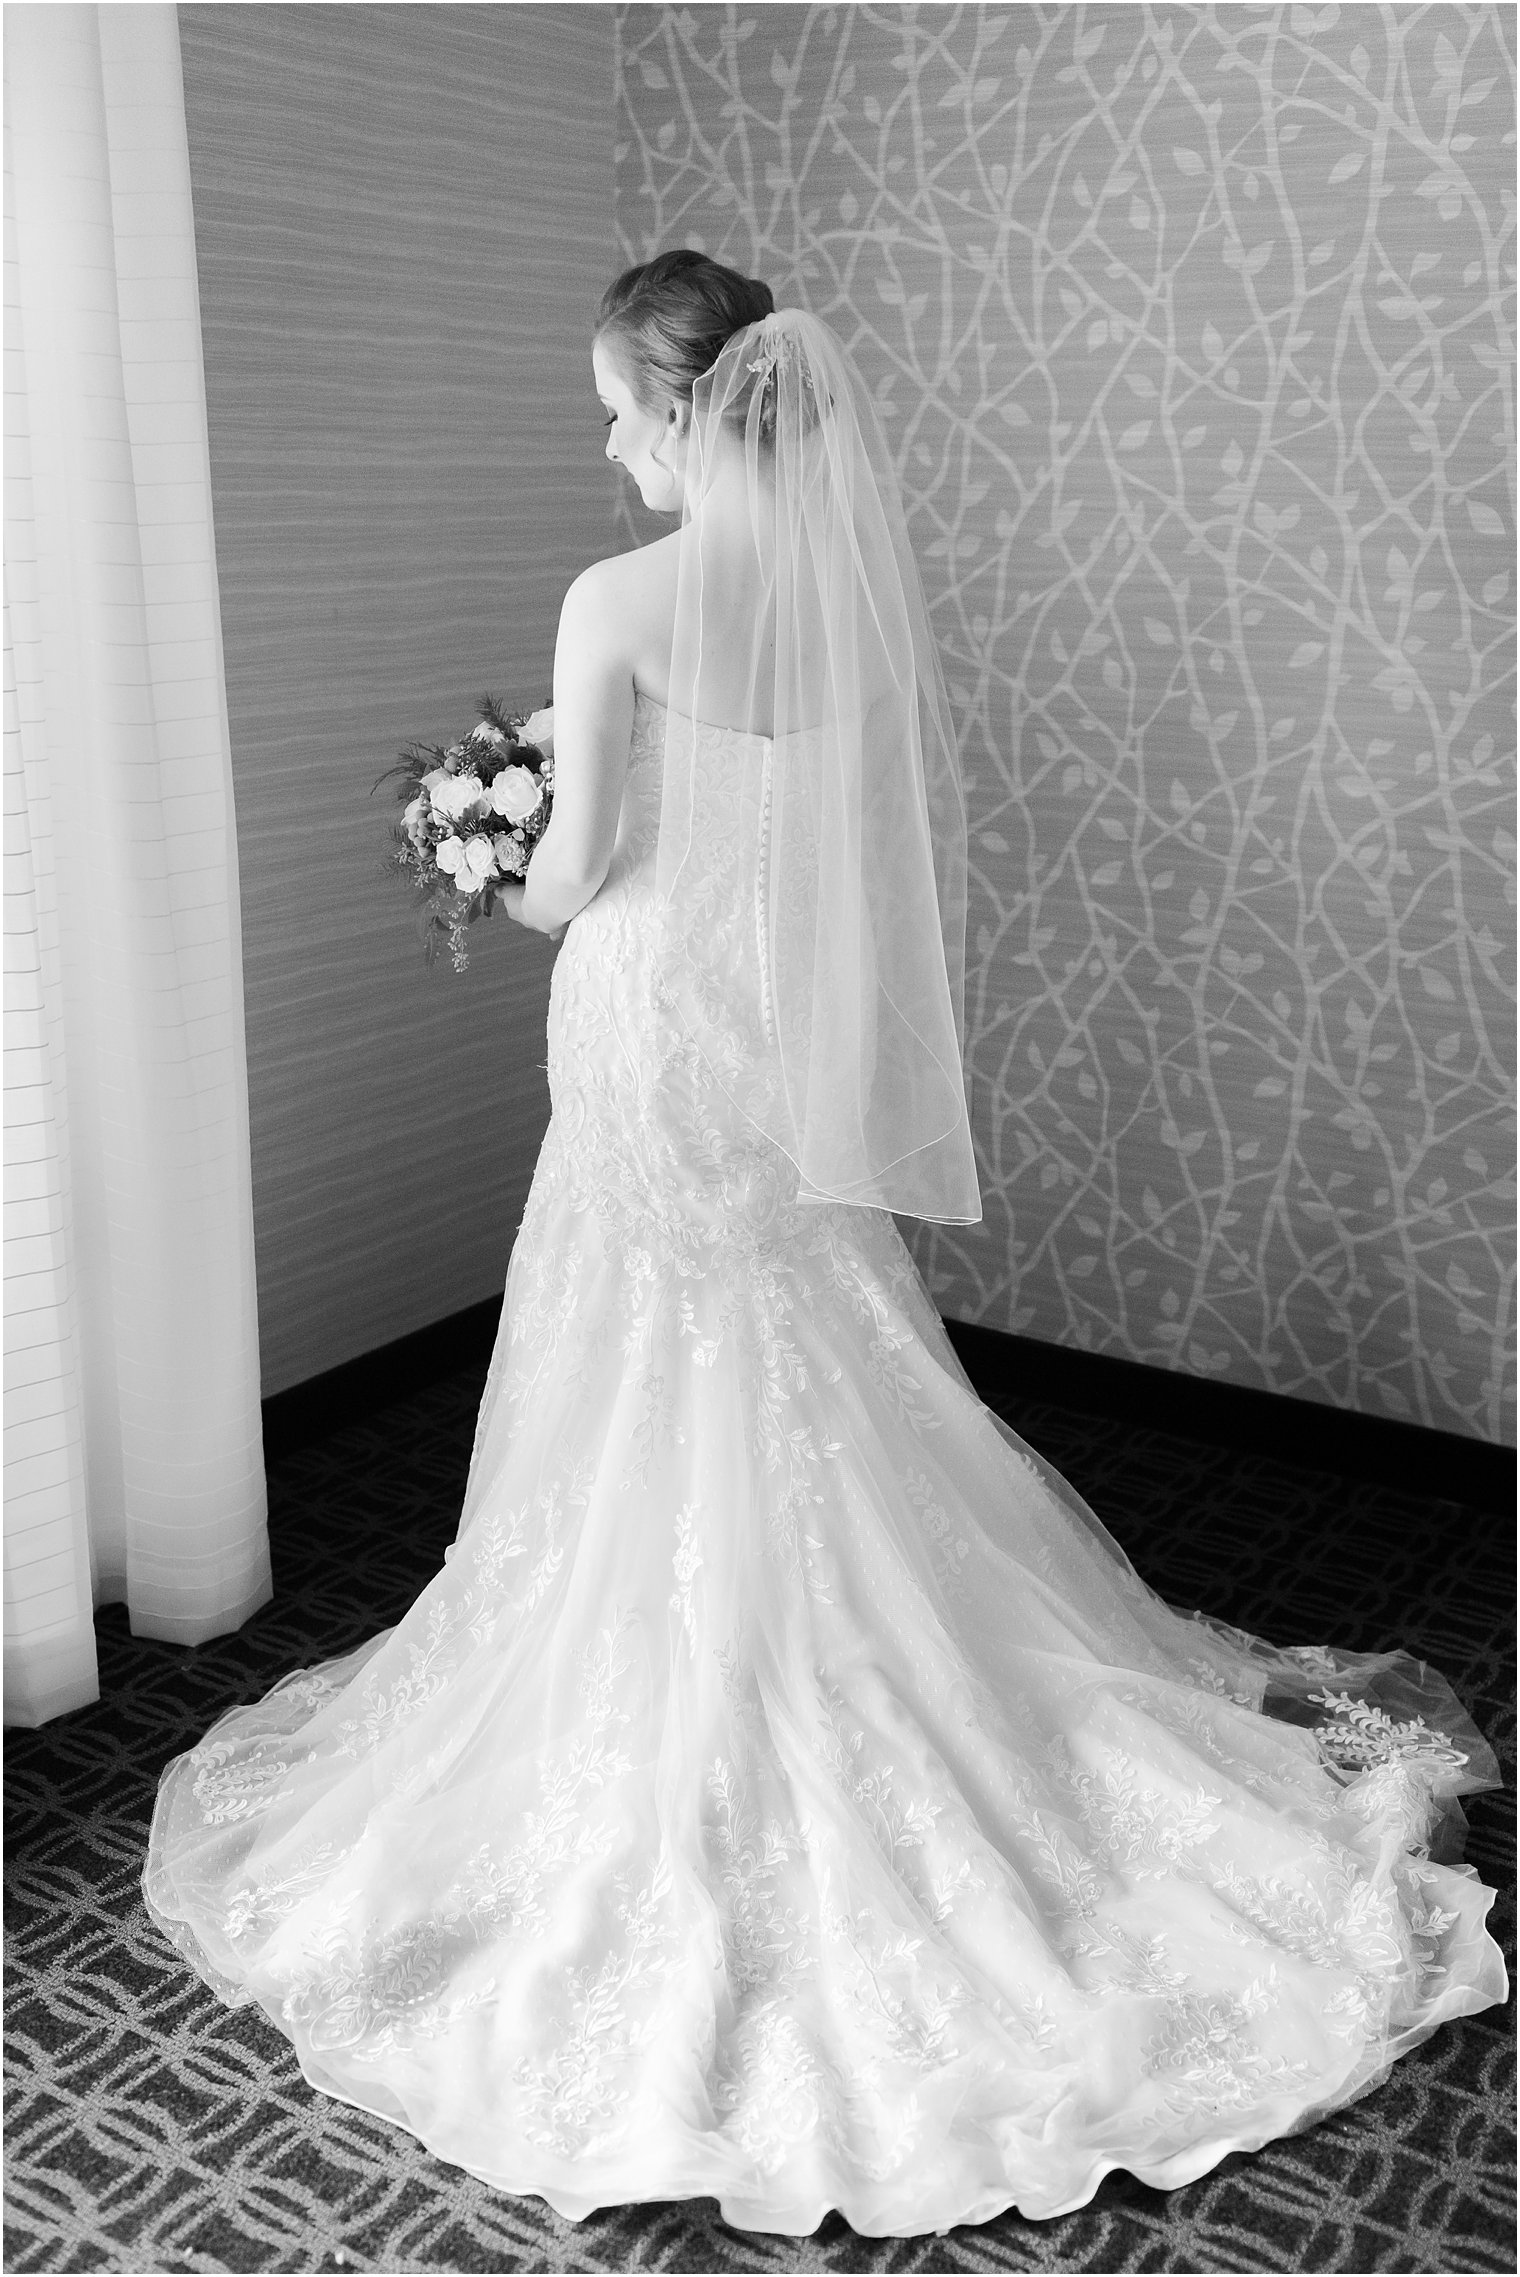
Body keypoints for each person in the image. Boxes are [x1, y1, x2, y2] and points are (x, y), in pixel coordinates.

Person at [145, 252, 1506, 2240]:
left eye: (619, 407)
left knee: (638, 1348)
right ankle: (844, 1671)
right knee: (791, 1340)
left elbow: (574, 882)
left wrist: (488, 820)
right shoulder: (840, 600)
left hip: (640, 1032)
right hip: (763, 1051)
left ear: (693, 412)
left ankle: (700, 1694)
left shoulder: (622, 601)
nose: (608, 441)